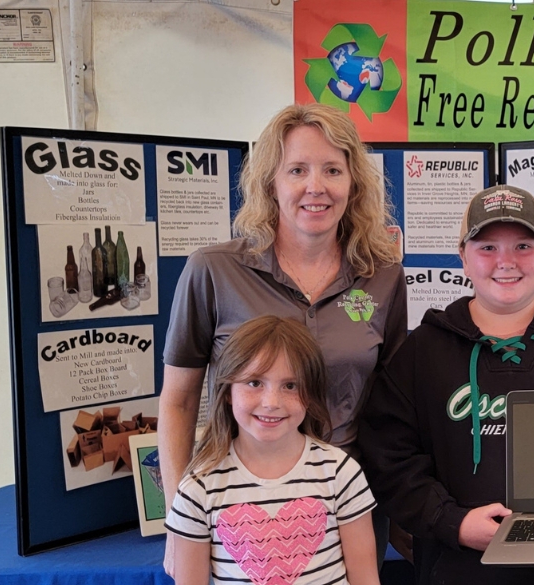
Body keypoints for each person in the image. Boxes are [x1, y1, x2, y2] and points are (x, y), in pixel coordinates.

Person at [159, 103, 406, 572]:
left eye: (332, 169)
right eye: (297, 170)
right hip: (238, 504)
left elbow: (393, 406)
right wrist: (180, 520)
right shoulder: (213, 270)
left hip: (349, 500)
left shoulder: (383, 277)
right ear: (271, 182)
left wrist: (406, 506)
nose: (316, 187)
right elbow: (178, 401)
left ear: (353, 183)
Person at [358, 185, 534, 585]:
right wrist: (453, 521)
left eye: (523, 245)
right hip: (458, 566)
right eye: (486, 248)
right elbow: (389, 457)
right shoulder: (424, 351)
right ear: (463, 256)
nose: (506, 262)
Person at [165, 315, 379, 585]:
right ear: (228, 391)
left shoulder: (341, 473)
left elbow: (366, 579)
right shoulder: (198, 488)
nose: (271, 402)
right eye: (254, 383)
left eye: (290, 386)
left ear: (310, 395)